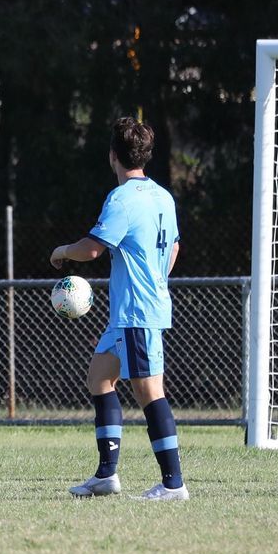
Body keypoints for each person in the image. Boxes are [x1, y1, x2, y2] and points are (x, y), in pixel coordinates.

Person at [51, 115, 186, 501]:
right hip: (128, 313)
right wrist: (155, 278)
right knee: (99, 378)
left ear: (113, 156)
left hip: (137, 313)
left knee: (149, 393)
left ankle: (174, 483)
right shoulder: (163, 196)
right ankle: (106, 475)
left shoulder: (122, 198)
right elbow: (173, 247)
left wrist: (61, 253)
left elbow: (92, 248)